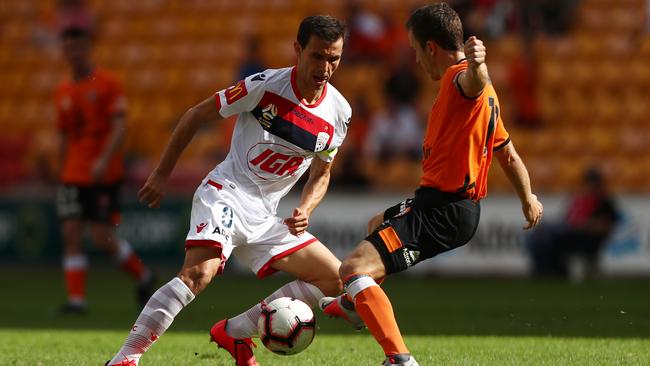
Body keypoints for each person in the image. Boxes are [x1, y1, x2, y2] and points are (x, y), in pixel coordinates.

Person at [106, 15, 350, 366]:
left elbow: (322, 173)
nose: (325, 67)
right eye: (317, 56)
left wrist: (307, 208)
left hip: (266, 215)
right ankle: (125, 358)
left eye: (334, 59)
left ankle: (234, 332)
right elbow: (195, 115)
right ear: (298, 50)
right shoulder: (264, 87)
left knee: (333, 278)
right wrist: (161, 174)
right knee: (197, 274)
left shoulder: (339, 112)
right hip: (227, 193)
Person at [320, 4, 544, 366]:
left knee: (352, 270)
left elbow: (476, 80)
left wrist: (477, 63)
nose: (415, 59)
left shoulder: (461, 81)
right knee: (377, 224)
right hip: (442, 205)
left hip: (444, 208)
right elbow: (508, 154)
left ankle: (400, 359)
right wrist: (528, 197)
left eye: (414, 49)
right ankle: (354, 305)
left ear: (430, 48)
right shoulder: (485, 99)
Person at [55, 24, 155, 315]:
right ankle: (77, 301)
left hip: (103, 173)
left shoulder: (108, 83)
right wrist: (61, 168)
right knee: (71, 233)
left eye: (79, 47)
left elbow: (120, 126)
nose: (74, 53)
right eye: (68, 47)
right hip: (73, 173)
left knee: (101, 238)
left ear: (88, 49)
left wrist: (103, 159)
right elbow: (63, 134)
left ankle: (143, 275)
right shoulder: (62, 89)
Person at [527, 167, 620, 278]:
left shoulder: (604, 201)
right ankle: (547, 270)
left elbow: (607, 224)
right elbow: (568, 218)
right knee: (540, 235)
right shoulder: (580, 198)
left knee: (548, 237)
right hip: (571, 232)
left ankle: (550, 272)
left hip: (586, 238)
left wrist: (586, 225)